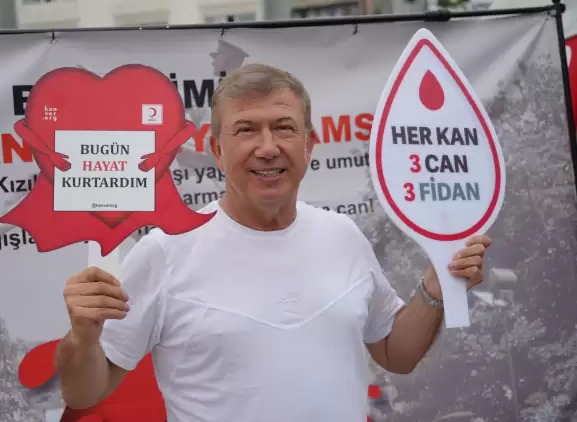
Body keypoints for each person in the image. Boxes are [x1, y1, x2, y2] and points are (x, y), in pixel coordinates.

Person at [54, 63, 493, 421]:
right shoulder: (166, 251)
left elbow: (396, 353)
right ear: (216, 150)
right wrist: (82, 339)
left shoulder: (343, 236)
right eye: (246, 130)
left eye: (284, 128)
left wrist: (436, 286)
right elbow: (85, 392)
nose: (268, 148)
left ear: (309, 145)